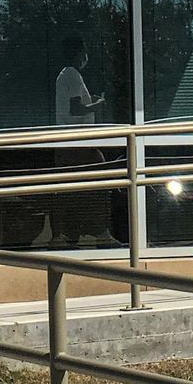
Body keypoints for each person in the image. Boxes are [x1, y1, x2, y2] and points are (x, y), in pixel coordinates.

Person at [48, 34, 121, 249]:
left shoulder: (66, 76)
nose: (85, 56)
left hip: (73, 142)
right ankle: (100, 234)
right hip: (76, 143)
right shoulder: (72, 75)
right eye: (84, 51)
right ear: (78, 52)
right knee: (95, 184)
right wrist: (99, 104)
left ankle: (67, 235)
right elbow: (76, 109)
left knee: (71, 189)